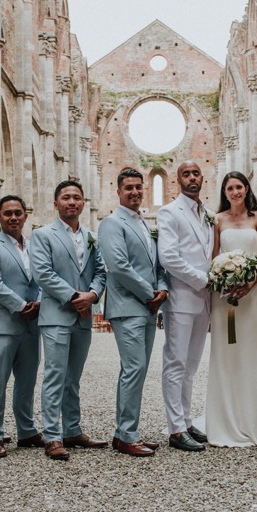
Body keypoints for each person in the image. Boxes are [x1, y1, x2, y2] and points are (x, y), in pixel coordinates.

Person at [29, 180, 107, 461]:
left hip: (84, 317)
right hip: (57, 316)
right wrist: (77, 297)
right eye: (66, 197)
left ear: (83, 203)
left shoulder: (91, 236)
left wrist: (94, 294)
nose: (72, 202)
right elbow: (43, 274)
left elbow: (100, 272)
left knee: (73, 377)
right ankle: (52, 435)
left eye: (76, 197)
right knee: (55, 375)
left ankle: (73, 429)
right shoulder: (43, 235)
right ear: (55, 203)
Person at [98, 169, 169, 457]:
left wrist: (163, 288)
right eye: (129, 188)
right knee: (134, 368)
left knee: (137, 370)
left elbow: (157, 265)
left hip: (149, 306)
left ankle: (126, 432)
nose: (135, 192)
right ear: (118, 191)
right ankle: (126, 434)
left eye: (139, 187)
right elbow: (118, 265)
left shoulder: (145, 224)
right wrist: (149, 294)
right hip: (128, 306)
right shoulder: (111, 224)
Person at [204, 172, 257, 447]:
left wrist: (251, 281)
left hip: (253, 295)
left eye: (239, 187)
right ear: (225, 192)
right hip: (226, 297)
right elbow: (214, 257)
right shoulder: (218, 220)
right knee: (227, 354)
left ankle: (253, 421)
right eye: (229, 188)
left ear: (246, 189)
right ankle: (225, 421)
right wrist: (225, 281)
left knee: (252, 353)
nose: (235, 192)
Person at [0, 195, 44, 458]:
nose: (14, 217)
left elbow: (41, 278)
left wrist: (38, 303)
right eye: (8, 213)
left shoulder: (33, 246)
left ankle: (27, 430)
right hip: (3, 323)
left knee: (26, 382)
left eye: (18, 212)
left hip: (31, 323)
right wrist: (21, 305)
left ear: (25, 216)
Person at [156, 161, 213, 452]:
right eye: (186, 174)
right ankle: (176, 429)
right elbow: (169, 258)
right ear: (177, 180)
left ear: (203, 178)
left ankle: (187, 421)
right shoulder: (169, 212)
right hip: (181, 300)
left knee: (191, 366)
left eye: (196, 173)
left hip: (204, 302)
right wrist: (204, 280)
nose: (192, 178)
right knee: (175, 363)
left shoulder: (206, 214)